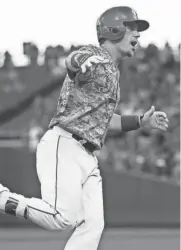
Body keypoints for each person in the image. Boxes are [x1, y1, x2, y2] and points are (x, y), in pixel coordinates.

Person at [0, 6, 169, 250]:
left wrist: (141, 121)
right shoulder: (96, 56)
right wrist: (78, 63)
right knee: (61, 218)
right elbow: (74, 61)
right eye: (132, 28)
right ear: (114, 30)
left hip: (86, 154)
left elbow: (104, 121)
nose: (137, 35)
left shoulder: (113, 70)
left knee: (93, 225)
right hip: (65, 144)